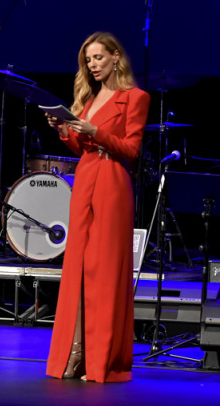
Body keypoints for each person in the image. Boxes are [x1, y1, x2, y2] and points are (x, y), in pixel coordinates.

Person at [45, 32, 150, 382]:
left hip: (113, 182)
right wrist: (65, 129)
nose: (92, 65)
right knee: (77, 266)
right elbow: (81, 147)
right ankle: (75, 353)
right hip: (87, 176)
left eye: (98, 58)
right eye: (88, 60)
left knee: (103, 270)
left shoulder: (135, 97)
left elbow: (132, 150)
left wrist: (95, 131)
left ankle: (101, 358)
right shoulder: (89, 98)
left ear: (116, 57)